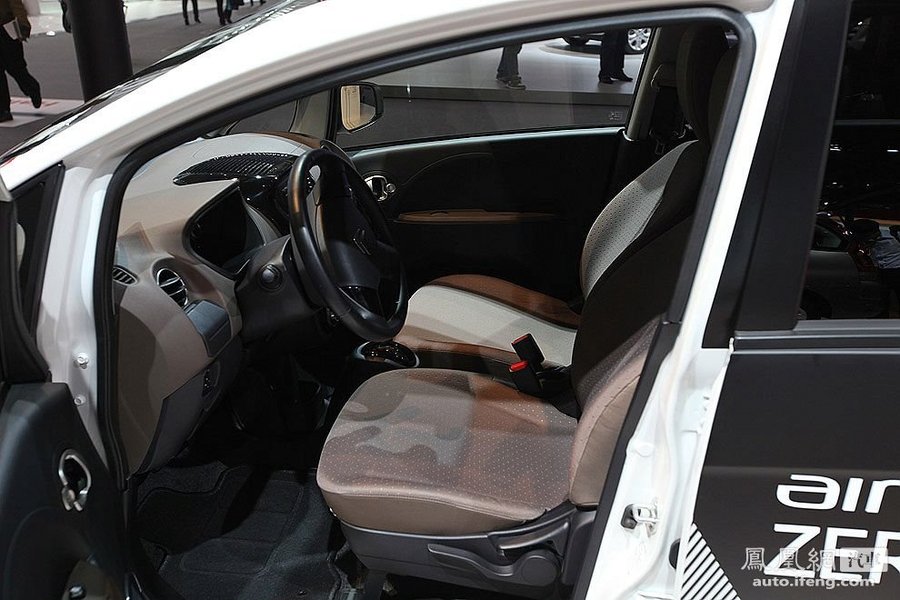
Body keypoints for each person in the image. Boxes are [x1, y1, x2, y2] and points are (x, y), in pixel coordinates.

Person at [0, 0, 40, 122]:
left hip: (6, 29)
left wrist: (23, 24)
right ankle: (3, 110)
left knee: (16, 68)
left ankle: (31, 87)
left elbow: (15, 3)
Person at [851, 218, 900, 317]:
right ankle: (883, 314)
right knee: (882, 295)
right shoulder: (865, 241)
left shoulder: (894, 235)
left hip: (897, 269)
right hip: (881, 270)